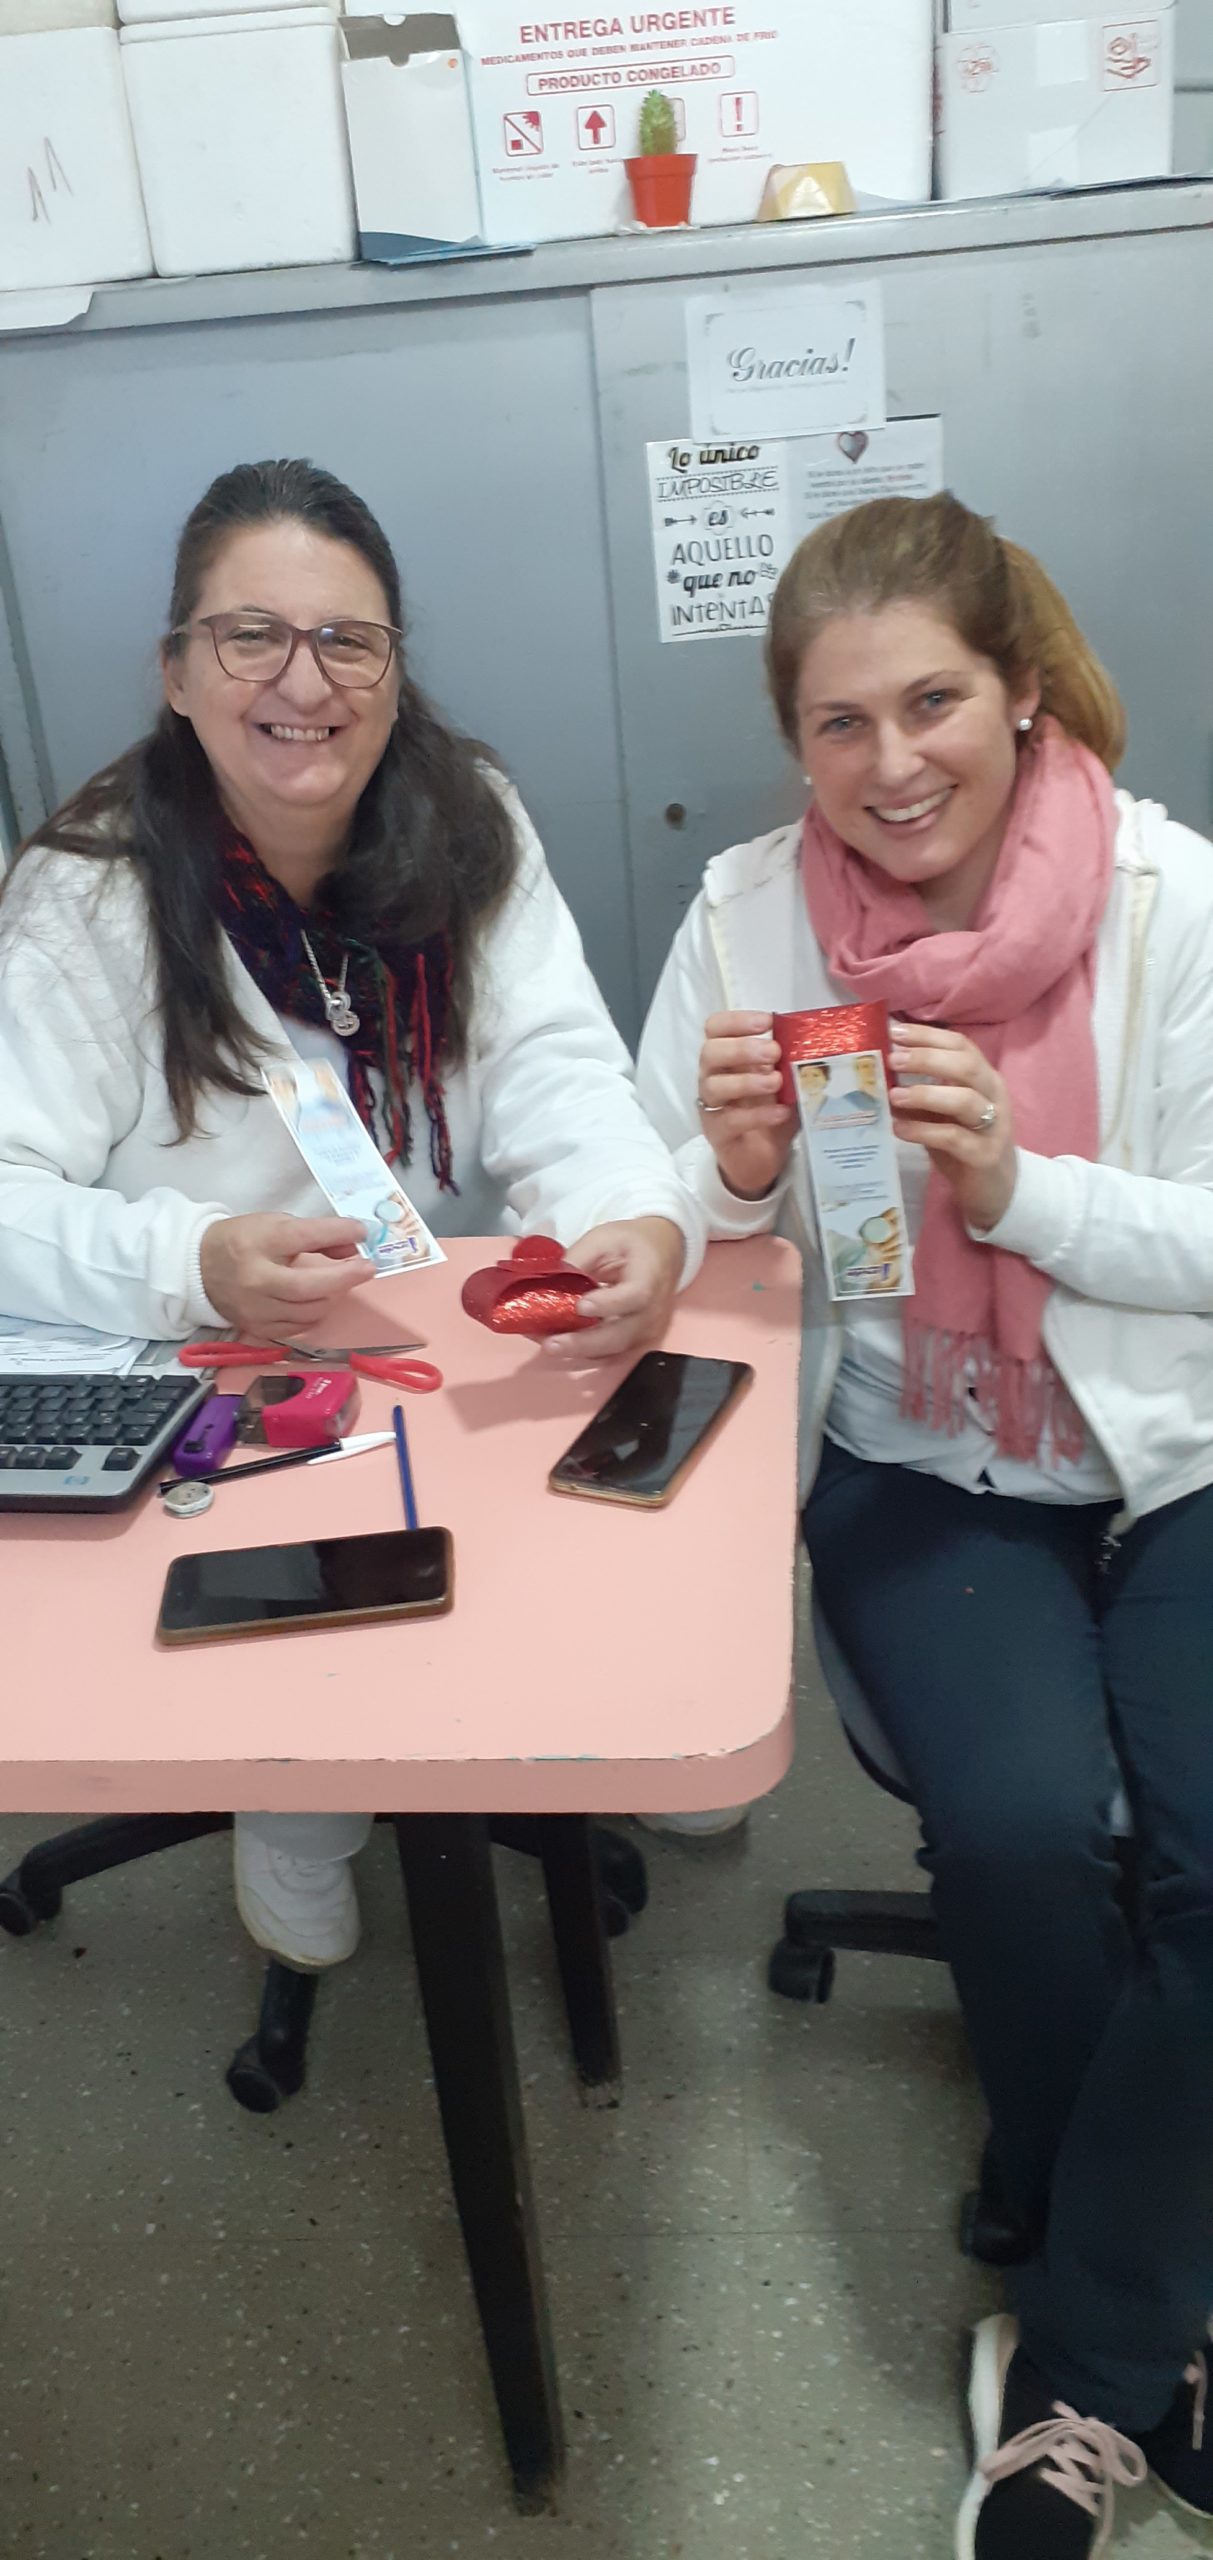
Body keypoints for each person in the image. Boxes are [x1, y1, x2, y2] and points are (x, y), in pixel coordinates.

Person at [637, 490, 1213, 2555]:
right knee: (1021, 1828)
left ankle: (1077, 2353)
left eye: (933, 703)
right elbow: (638, 1229)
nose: (890, 765)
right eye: (836, 722)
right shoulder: (744, 924)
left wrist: (1024, 1193)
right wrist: (718, 1176)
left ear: (1022, 690)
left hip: (1173, 1455)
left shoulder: (1170, 900)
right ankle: (1133, 2287)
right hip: (920, 1458)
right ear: (792, 740)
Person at [0, 457, 704, 1973]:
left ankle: (555, 1730)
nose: (302, 682)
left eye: (347, 641)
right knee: (308, 1665)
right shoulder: (88, 891)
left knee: (582, 1582)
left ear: (392, 667)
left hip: (443, 1337)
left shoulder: (467, 819)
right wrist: (189, 1260)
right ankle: (294, 1795)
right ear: (177, 671)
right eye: (249, 636)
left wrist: (630, 1215)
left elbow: (557, 1067)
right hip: (215, 1369)